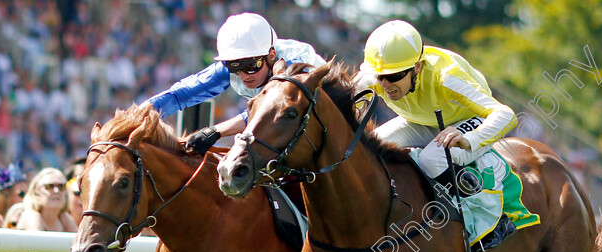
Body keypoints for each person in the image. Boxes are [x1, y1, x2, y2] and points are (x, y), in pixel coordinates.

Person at [357, 20, 517, 183]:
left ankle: (469, 197)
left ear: (417, 67)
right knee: (368, 147)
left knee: (431, 160)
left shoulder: (447, 79)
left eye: (393, 76)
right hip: (425, 121)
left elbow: (506, 115)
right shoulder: (372, 79)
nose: (384, 84)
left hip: (469, 119)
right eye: (379, 76)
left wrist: (468, 139)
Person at [146, 12, 325, 154]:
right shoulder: (241, 64)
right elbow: (180, 95)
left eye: (250, 65)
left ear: (271, 56)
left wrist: (215, 131)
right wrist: (134, 117)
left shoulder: (295, 62)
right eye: (232, 66)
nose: (242, 74)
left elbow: (268, 114)